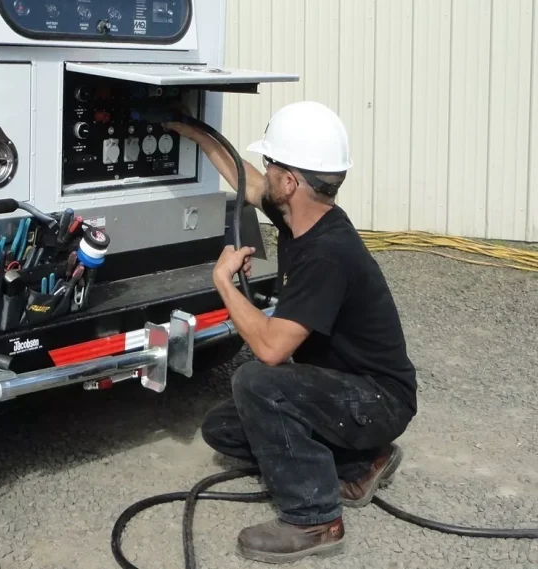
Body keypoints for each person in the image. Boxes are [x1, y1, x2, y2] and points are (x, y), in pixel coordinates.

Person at [165, 101, 417, 564]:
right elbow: (247, 182)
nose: (266, 172)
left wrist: (222, 282)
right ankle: (364, 461)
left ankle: (315, 518)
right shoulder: (303, 215)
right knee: (223, 428)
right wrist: (192, 131)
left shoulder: (328, 253)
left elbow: (270, 348)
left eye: (272, 164)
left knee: (255, 381)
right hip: (348, 393)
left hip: (378, 400)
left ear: (292, 181)